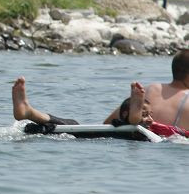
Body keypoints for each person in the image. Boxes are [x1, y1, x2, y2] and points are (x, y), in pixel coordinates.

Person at [12, 50, 189, 138]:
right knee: (139, 128)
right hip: (150, 140)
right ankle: (136, 119)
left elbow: (107, 123)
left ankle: (29, 112)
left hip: (118, 132)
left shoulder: (151, 88)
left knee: (72, 125)